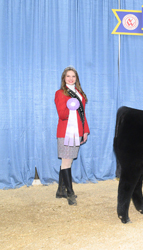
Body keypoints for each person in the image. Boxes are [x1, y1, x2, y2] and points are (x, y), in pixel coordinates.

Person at [54, 66, 90, 205]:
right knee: (66, 161)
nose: (71, 78)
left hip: (77, 131)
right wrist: (71, 106)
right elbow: (62, 114)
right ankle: (70, 193)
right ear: (64, 78)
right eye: (68, 76)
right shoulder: (60, 93)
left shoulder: (80, 93)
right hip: (65, 132)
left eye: (73, 76)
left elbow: (83, 115)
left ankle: (60, 190)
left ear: (76, 78)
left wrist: (85, 130)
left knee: (67, 160)